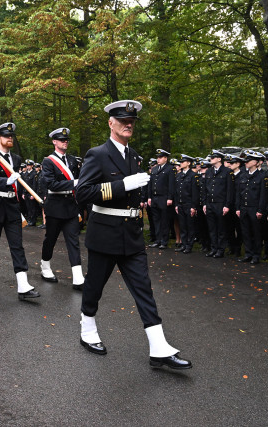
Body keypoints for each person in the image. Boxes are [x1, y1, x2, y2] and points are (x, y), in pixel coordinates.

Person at [75, 99, 191, 369]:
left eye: (132, 121)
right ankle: (87, 329)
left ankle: (158, 347)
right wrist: (121, 184)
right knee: (94, 286)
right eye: (123, 120)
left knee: (144, 290)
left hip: (132, 234)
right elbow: (82, 193)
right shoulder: (97, 154)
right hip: (105, 233)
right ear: (110, 123)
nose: (128, 124)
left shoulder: (134, 155)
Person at [0, 122, 40, 300]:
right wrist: (6, 181)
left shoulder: (15, 158)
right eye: (6, 136)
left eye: (11, 136)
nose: (10, 138)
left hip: (11, 206)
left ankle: (22, 284)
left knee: (17, 245)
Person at [39, 127, 84, 289]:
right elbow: (50, 184)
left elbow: (79, 179)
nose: (65, 142)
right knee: (50, 239)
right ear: (54, 142)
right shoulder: (48, 161)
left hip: (70, 206)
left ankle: (78, 277)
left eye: (66, 140)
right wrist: (74, 183)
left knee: (73, 241)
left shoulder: (72, 160)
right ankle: (45, 266)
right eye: (62, 140)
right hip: (55, 205)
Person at [235, 150, 267, 264]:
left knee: (256, 233)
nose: (246, 162)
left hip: (255, 209)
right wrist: (238, 208)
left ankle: (256, 255)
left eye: (249, 161)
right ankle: (248, 253)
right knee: (246, 232)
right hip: (244, 208)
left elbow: (263, 195)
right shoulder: (243, 176)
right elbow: (239, 193)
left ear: (256, 162)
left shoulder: (262, 176)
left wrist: (260, 210)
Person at [202, 149, 234, 258]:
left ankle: (221, 249)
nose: (211, 159)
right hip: (210, 203)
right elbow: (205, 189)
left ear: (219, 159)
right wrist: (205, 203)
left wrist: (227, 205)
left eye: (213, 157)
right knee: (212, 228)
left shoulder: (227, 172)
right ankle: (214, 248)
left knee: (221, 228)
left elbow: (230, 190)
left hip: (221, 204)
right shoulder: (209, 172)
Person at [147, 149, 175, 249]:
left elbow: (171, 185)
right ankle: (157, 240)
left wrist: (170, 198)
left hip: (164, 198)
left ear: (165, 158)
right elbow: (150, 184)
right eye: (157, 157)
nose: (158, 159)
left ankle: (164, 241)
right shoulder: (154, 169)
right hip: (154, 198)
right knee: (156, 220)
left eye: (160, 157)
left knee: (164, 220)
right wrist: (149, 197)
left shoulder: (170, 169)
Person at [174, 154, 200, 253]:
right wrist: (176, 204)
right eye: (180, 162)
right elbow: (177, 191)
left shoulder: (193, 175)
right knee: (182, 225)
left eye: (183, 162)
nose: (181, 163)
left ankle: (189, 245)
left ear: (188, 163)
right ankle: (184, 244)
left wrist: (193, 206)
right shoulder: (179, 175)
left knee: (190, 225)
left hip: (189, 204)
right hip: (180, 204)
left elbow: (194, 193)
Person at [224, 155, 244, 256]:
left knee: (239, 228)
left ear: (238, 164)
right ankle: (231, 247)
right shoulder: (228, 174)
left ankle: (238, 248)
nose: (230, 165)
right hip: (229, 205)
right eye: (229, 163)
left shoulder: (243, 175)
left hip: (238, 206)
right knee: (229, 228)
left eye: (232, 163)